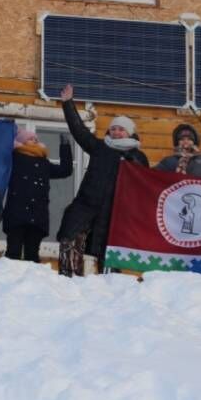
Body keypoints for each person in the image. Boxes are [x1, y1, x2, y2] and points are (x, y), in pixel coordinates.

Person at [55, 83, 149, 277]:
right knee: (69, 238)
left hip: (115, 212)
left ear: (130, 133)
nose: (116, 132)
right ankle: (68, 279)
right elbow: (79, 130)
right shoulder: (100, 147)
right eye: (113, 128)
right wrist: (68, 104)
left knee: (109, 253)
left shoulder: (138, 157)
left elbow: (145, 186)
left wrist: (131, 162)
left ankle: (110, 289)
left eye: (121, 129)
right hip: (87, 204)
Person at [3, 128, 73, 262]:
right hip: (16, 215)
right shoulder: (13, 159)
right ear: (21, 142)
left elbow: (66, 170)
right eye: (30, 138)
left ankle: (32, 283)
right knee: (13, 253)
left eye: (36, 139)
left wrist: (65, 146)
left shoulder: (43, 163)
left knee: (32, 256)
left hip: (37, 216)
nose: (35, 141)